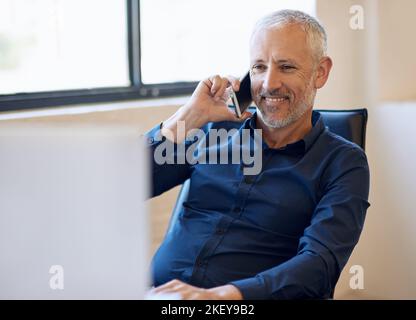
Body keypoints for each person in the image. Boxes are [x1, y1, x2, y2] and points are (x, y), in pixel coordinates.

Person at [145, 9, 370, 299]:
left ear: (320, 72)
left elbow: (320, 264)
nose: (269, 83)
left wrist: (223, 297)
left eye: (286, 67)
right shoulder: (213, 131)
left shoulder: (343, 163)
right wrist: (188, 116)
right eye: (259, 67)